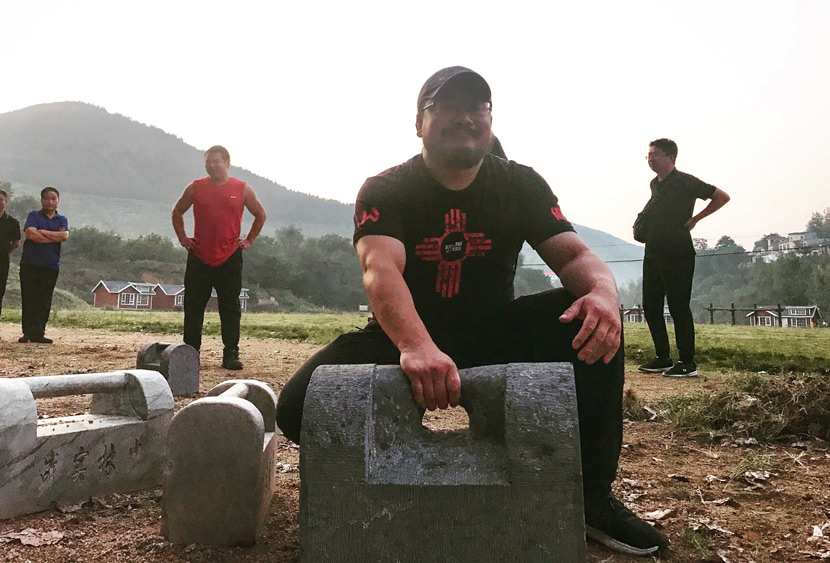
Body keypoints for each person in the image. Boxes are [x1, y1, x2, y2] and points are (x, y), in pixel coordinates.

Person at [277, 66, 669, 556]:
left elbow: (575, 257)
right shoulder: (386, 188)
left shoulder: (520, 184)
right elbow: (382, 272)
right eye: (445, 107)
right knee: (295, 408)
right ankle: (354, 498)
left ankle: (591, 499)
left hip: (494, 332)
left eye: (476, 107)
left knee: (588, 312)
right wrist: (416, 345)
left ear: (490, 120)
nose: (463, 117)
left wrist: (605, 293)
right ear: (418, 123)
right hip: (403, 339)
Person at [635, 139, 730, 377]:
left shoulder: (686, 181)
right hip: (653, 251)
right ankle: (662, 357)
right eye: (648, 155)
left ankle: (687, 362)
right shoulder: (654, 184)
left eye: (655, 154)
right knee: (651, 306)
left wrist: (696, 219)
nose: (650, 158)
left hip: (678, 252)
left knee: (678, 307)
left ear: (671, 158)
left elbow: (721, 196)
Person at [171, 145, 266, 370]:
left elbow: (260, 214)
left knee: (230, 307)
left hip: (230, 257)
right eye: (208, 161)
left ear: (227, 163)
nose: (212, 165)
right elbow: (177, 212)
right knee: (193, 306)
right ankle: (190, 354)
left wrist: (249, 240)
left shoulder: (242, 189)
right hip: (199, 256)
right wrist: (183, 238)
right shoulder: (195, 188)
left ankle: (230, 354)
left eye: (216, 161)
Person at [18, 187, 69, 344]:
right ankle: (27, 332)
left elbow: (65, 235)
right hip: (30, 263)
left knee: (44, 299)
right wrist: (54, 236)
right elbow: (31, 234)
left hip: (50, 265)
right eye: (47, 198)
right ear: (42, 200)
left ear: (58, 201)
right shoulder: (33, 215)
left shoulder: (62, 219)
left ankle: (39, 333)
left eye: (53, 198)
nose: (50, 201)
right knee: (29, 297)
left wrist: (43, 232)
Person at [0, 188, 22, 320]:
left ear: (6, 202)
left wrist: (6, 252)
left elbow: (16, 241)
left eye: (1, 200)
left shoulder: (13, 222)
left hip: (2, 261)